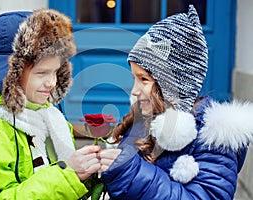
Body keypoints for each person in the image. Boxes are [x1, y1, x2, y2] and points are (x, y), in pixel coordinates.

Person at [99, 5, 253, 199]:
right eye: (134, 79)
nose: (134, 91)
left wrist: (131, 173)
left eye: (144, 80)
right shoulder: (144, 121)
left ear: (174, 85)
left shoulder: (213, 141)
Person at [0, 9, 101, 199]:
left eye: (56, 72)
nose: (52, 83)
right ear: (10, 74)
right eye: (41, 73)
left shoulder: (47, 116)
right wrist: (68, 176)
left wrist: (87, 174)